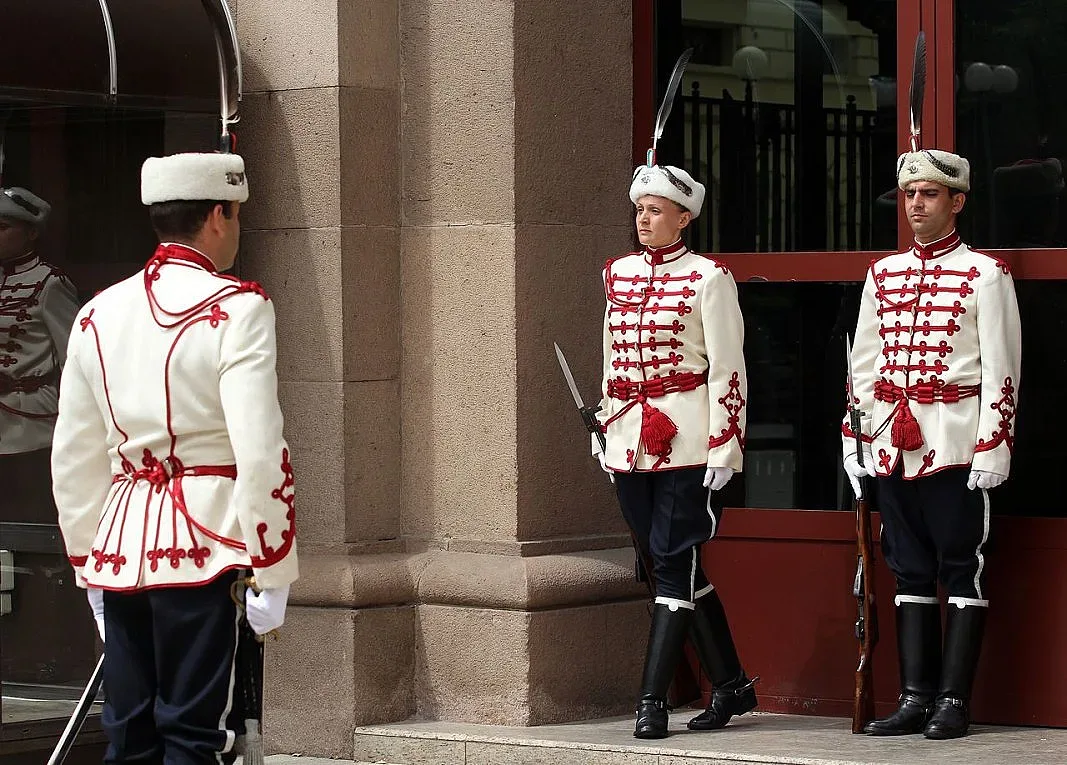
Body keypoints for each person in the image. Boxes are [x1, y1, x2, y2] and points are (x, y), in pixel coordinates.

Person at [52, 152, 299, 764]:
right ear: (219, 215)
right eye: (236, 213)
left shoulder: (96, 313)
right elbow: (260, 446)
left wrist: (88, 561)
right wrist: (272, 565)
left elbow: (76, 453)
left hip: (120, 550)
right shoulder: (240, 309)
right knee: (197, 734)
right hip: (208, 545)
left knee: (129, 733)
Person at [843, 147, 1021, 740]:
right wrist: (856, 440)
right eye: (909, 196)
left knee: (960, 568)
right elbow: (864, 366)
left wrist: (993, 447)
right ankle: (915, 696)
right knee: (908, 569)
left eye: (929, 195)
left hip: (954, 444)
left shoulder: (985, 274)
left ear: (957, 202)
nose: (915, 205)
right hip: (894, 445)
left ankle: (953, 700)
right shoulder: (882, 274)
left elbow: (1002, 368)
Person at [595, 161, 755, 739]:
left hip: (688, 440)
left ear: (683, 218)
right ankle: (733, 684)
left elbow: (728, 367)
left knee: (672, 562)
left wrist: (725, 447)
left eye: (655, 210)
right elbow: (613, 356)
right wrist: (605, 425)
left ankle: (651, 702)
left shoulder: (709, 278)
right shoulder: (617, 273)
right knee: (670, 565)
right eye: (639, 209)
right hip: (629, 440)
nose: (643, 219)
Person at [0, 186, 79, 470]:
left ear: (31, 233)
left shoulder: (50, 283)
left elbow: (74, 359)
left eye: (4, 228)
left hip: (30, 421)